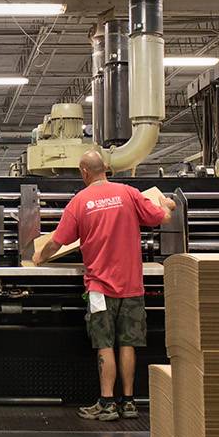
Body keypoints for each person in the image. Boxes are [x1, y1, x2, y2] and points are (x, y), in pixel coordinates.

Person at [34, 150, 175, 422]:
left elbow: (57, 241)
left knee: (105, 344)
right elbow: (163, 218)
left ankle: (107, 403)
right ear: (106, 169)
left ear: (84, 172)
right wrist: (168, 204)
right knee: (128, 344)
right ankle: (130, 402)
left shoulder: (79, 202)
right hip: (132, 285)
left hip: (99, 287)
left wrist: (40, 256)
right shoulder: (128, 193)